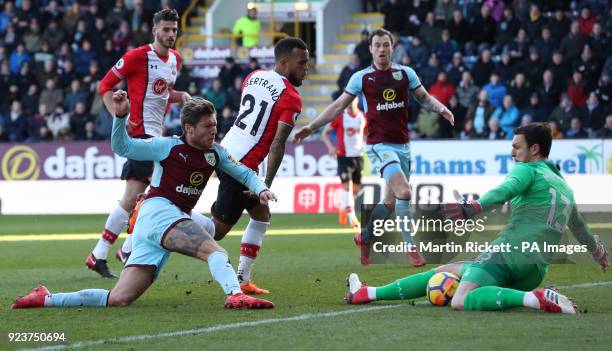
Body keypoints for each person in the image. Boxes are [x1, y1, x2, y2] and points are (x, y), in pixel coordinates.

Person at [11, 95, 275, 310]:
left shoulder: (215, 153)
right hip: (160, 213)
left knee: (118, 298)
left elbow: (243, 172)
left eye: (215, 125)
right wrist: (120, 118)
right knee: (215, 251)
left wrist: (261, 189)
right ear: (189, 128)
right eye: (208, 126)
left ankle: (45, 298)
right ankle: (234, 294)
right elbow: (123, 147)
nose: (214, 130)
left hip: (158, 223)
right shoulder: (166, 147)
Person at [344, 123, 608, 314]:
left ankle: (535, 299)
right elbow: (581, 229)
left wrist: (472, 207)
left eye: (517, 147)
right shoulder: (564, 187)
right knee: (449, 270)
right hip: (535, 268)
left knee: (461, 298)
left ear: (534, 149)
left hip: (510, 254)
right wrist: (597, 251)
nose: (513, 153)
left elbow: (504, 191)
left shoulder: (527, 171)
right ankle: (367, 293)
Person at [293, 28, 454, 267]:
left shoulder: (405, 73)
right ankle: (411, 248)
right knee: (406, 192)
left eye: (385, 45)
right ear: (370, 49)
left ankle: (365, 237)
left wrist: (440, 108)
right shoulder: (362, 78)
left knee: (391, 202)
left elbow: (424, 97)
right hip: (379, 145)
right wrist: (312, 126)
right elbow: (338, 106)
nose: (381, 49)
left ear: (392, 47)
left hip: (403, 146)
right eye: (377, 45)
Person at [86, 9, 191, 278]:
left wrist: (183, 97)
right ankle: (112, 251)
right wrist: (119, 117)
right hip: (141, 135)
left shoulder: (175, 60)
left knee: (147, 196)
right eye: (166, 30)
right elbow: (105, 86)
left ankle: (110, 251)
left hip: (157, 137)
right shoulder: (137, 57)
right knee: (137, 195)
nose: (170, 35)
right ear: (155, 30)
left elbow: (163, 94)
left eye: (174, 30)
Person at [321, 97, 366, 229]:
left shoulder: (363, 117)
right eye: (347, 102)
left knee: (356, 189)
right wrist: (330, 147)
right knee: (347, 186)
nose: (349, 104)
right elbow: (325, 133)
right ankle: (352, 218)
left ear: (357, 101)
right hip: (343, 157)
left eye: (352, 101)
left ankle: (343, 207)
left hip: (359, 156)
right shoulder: (340, 117)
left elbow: (367, 133)